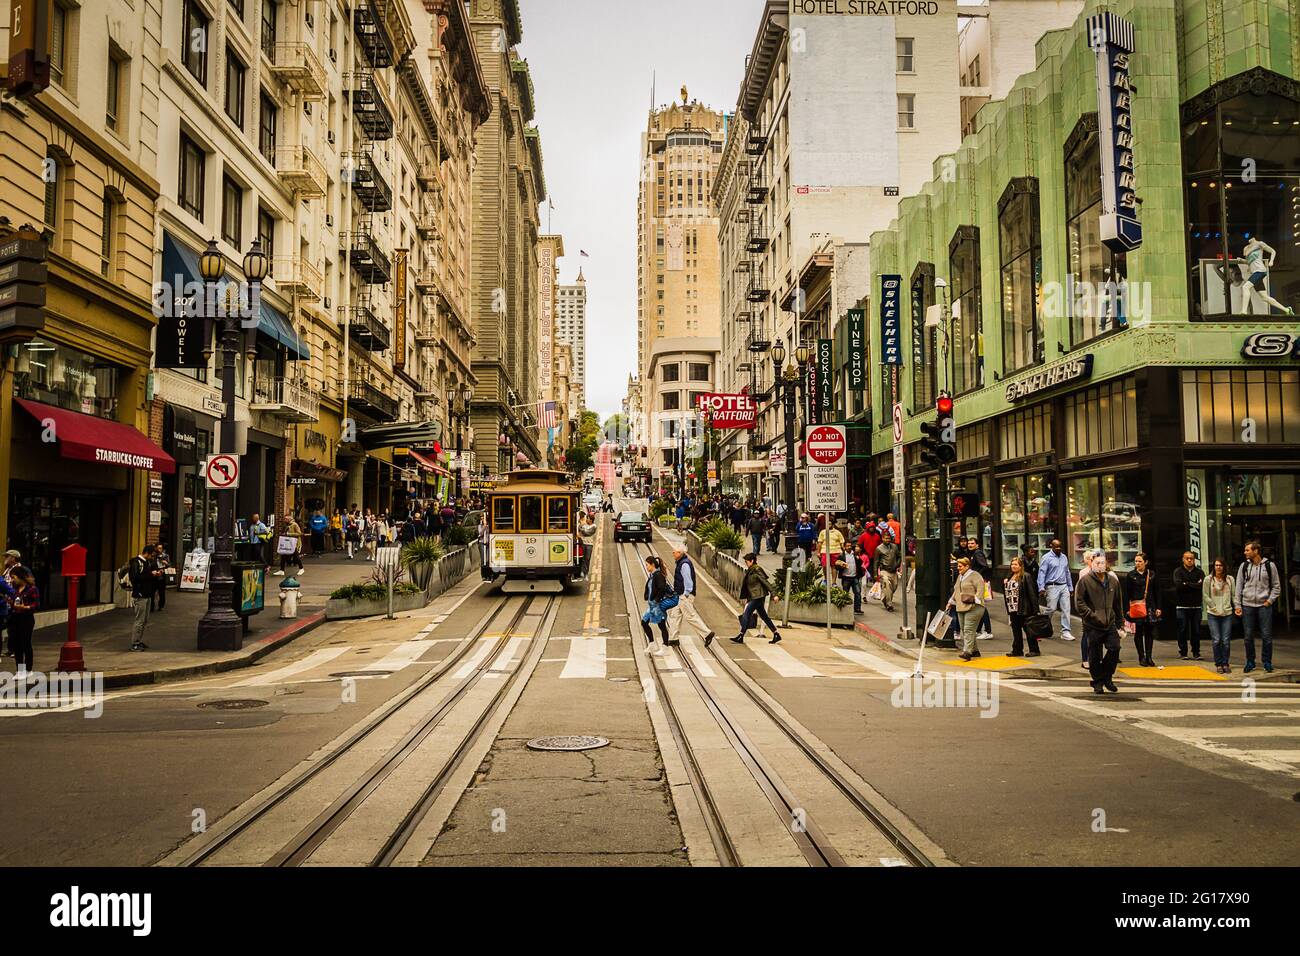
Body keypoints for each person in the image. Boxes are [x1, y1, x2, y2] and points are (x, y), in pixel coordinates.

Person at [1076, 550, 1124, 694]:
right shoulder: (1085, 580)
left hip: (1110, 622)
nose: (1100, 565)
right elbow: (1079, 602)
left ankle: (1106, 677)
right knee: (1095, 654)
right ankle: (1097, 681)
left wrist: (1120, 622)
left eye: (1102, 563)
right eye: (1097, 562)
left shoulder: (1113, 581)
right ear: (1092, 563)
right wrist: (1091, 615)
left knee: (1115, 648)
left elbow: (1118, 603)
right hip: (1093, 624)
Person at [1235, 540, 1281, 674]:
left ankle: (1267, 662)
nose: (1245, 552)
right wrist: (1238, 604)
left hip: (1264, 605)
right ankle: (1250, 661)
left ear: (1255, 551)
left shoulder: (1269, 565)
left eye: (1247, 550)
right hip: (1247, 605)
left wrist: (1269, 601)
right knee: (1248, 636)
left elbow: (1276, 586)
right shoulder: (1243, 566)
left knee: (1266, 635)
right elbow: (1238, 586)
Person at [668, 543, 714, 648]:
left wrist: (686, 594)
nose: (673, 553)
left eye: (674, 552)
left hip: (685, 595)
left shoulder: (684, 564)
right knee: (675, 615)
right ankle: (673, 638)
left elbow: (688, 582)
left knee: (690, 616)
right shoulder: (681, 562)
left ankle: (707, 633)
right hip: (680, 595)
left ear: (680, 553)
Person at [1124, 551, 1161, 668]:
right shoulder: (1130, 575)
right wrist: (1127, 609)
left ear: (1146, 562)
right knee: (1138, 632)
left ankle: (1149, 656)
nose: (1137, 563)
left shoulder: (1151, 574)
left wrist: (1158, 607)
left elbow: (1157, 592)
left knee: (1149, 632)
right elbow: (1126, 594)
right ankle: (1141, 656)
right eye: (1136, 561)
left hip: (1150, 606)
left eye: (1140, 561)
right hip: (1136, 607)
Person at [735, 553, 781, 644]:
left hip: (757, 596)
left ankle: (741, 635)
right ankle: (776, 634)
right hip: (754, 596)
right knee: (764, 616)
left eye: (747, 562)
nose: (746, 563)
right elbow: (749, 586)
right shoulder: (751, 570)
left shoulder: (756, 569)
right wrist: (747, 598)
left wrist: (774, 594)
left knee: (746, 614)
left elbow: (765, 582)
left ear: (752, 561)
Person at [947, 555, 984, 661]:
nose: (958, 568)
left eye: (960, 566)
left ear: (967, 566)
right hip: (961, 606)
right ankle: (975, 650)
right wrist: (951, 602)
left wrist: (976, 599)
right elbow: (956, 590)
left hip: (974, 607)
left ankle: (967, 651)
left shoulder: (975, 575)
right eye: (958, 566)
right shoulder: (960, 576)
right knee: (965, 629)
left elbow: (981, 588)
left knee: (968, 629)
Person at [1037, 537, 1075, 642]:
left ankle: (1066, 631)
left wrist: (1070, 587)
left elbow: (1067, 572)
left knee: (1066, 609)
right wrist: (1041, 587)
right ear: (1051, 546)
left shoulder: (1064, 557)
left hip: (1064, 586)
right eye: (1056, 547)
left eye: (1060, 547)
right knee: (1051, 608)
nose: (1059, 548)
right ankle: (1042, 626)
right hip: (1052, 586)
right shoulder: (1046, 558)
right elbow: (1042, 573)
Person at [1204, 558, 1237, 674]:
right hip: (1213, 613)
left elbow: (1234, 595)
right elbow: (1205, 595)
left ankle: (1225, 663)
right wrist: (1213, 607)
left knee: (1226, 640)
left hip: (1226, 613)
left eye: (1220, 565)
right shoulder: (1208, 579)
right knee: (1216, 640)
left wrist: (1237, 607)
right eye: (1216, 565)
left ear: (1224, 567)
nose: (1218, 567)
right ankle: (1218, 663)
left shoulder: (1230, 579)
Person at [1003, 556, 1040, 657]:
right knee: (1016, 631)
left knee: (1028, 630)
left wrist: (1035, 609)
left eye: (1016, 564)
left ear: (1021, 566)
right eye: (1012, 564)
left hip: (1024, 608)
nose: (1013, 566)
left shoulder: (1026, 576)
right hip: (1013, 608)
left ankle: (1034, 650)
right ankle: (1017, 650)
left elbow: (1032, 593)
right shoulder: (1010, 576)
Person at [1172, 551, 1205, 661]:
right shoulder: (1178, 571)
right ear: (1183, 559)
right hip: (1182, 606)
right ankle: (1183, 652)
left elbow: (1201, 586)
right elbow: (1178, 586)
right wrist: (1193, 584)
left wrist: (1187, 584)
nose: (1189, 560)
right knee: (1182, 630)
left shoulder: (1200, 572)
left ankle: (1196, 652)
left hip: (1196, 606)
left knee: (1196, 630)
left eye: (1191, 558)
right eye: (1187, 558)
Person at [6, 565, 38, 678]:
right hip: (15, 618)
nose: (12, 580)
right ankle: (20, 670)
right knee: (16, 644)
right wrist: (11, 603)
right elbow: (15, 605)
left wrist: (26, 607)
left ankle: (29, 669)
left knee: (25, 643)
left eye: (13, 577)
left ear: (20, 576)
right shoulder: (15, 590)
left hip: (26, 618)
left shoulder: (31, 589)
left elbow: (35, 605)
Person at [126, 544, 158, 651]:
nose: (152, 558)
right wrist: (151, 575)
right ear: (147, 553)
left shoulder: (146, 562)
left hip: (147, 594)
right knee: (139, 620)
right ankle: (135, 643)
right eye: (152, 555)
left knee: (144, 620)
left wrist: (154, 574)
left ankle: (138, 641)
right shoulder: (136, 562)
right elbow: (135, 578)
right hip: (140, 595)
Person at [640, 555, 672, 656]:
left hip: (657, 605)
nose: (646, 567)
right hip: (652, 605)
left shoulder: (658, 575)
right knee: (644, 622)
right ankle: (652, 644)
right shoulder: (653, 575)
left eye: (647, 565)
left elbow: (662, 588)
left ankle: (665, 647)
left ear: (652, 564)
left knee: (661, 624)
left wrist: (657, 600)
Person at [875, 530, 901, 612]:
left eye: (889, 538)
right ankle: (889, 604)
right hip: (884, 571)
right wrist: (875, 574)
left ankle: (884, 599)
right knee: (886, 584)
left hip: (893, 571)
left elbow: (899, 557)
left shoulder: (895, 547)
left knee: (893, 587)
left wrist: (897, 564)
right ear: (882, 539)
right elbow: (876, 562)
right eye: (886, 538)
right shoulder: (878, 549)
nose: (887, 540)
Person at [836, 543, 862, 614]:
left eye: (850, 546)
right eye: (847, 546)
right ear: (844, 547)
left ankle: (857, 608)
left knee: (858, 593)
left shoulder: (855, 555)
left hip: (854, 577)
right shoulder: (841, 556)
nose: (849, 547)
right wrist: (841, 566)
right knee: (845, 594)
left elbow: (860, 564)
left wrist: (858, 558)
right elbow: (837, 566)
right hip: (846, 578)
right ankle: (845, 608)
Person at [150, 542, 171, 612]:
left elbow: (169, 565)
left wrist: (166, 563)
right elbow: (150, 565)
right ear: (155, 548)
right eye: (158, 548)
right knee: (152, 592)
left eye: (161, 548)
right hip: (154, 575)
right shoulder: (153, 556)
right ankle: (151, 606)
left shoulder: (165, 556)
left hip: (162, 575)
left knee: (161, 592)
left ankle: (161, 606)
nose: (160, 550)